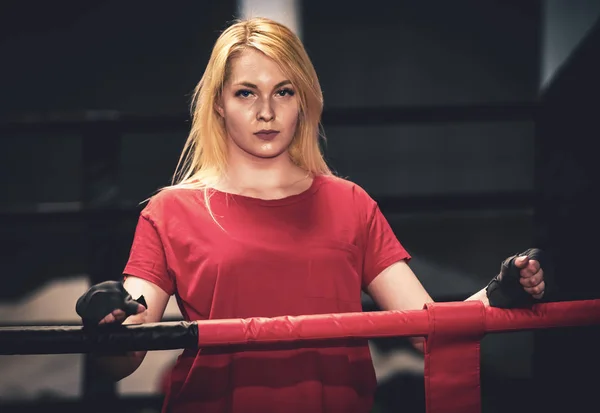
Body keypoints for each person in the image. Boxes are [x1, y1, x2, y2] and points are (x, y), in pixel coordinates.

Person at [77, 17, 548, 413]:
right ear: (218, 104)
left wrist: (496, 296)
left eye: (282, 91)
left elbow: (427, 329)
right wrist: (107, 319)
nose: (266, 111)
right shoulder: (170, 211)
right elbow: (125, 354)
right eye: (245, 93)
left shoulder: (350, 203)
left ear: (302, 100)